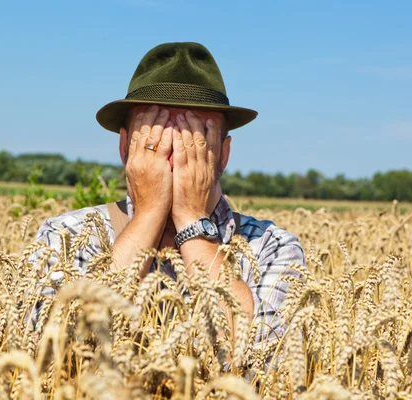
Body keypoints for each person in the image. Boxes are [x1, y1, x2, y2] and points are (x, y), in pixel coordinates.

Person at [31, 42, 305, 350]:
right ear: (125, 148)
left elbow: (257, 361)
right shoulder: (67, 235)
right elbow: (60, 356)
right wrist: (147, 216)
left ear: (223, 154)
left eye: (193, 138)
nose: (173, 153)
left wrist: (191, 220)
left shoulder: (272, 247)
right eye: (156, 137)